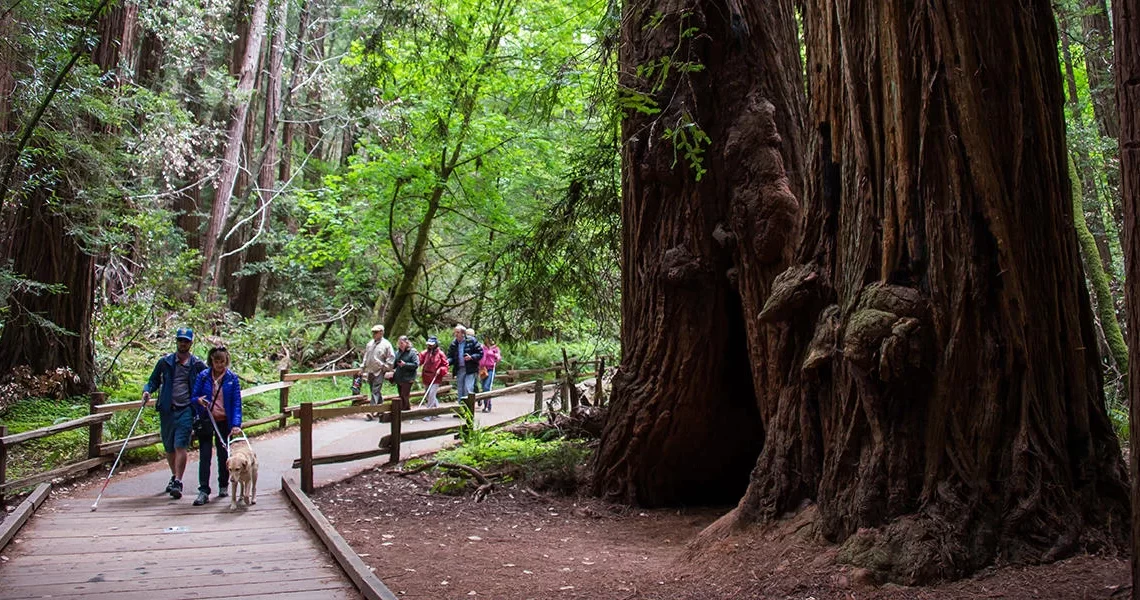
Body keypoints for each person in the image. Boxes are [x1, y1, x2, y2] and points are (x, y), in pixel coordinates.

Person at [142, 327, 206, 500]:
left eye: (186, 341)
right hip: (167, 410)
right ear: (176, 341)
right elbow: (153, 380)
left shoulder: (196, 364)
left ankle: (178, 480)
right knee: (169, 446)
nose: (183, 343)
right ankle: (174, 475)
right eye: (180, 340)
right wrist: (147, 391)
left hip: (186, 408)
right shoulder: (165, 362)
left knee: (180, 445)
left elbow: (208, 380)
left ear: (191, 343)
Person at [190, 346, 243, 506]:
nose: (219, 365)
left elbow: (236, 403)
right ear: (211, 361)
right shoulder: (203, 376)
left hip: (224, 421)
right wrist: (198, 401)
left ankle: (223, 485)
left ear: (226, 361)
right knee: (205, 455)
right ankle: (203, 490)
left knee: (224, 455)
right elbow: (193, 396)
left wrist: (236, 424)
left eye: (222, 361)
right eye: (216, 361)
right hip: (207, 420)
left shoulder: (232, 379)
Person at [361, 324, 394, 420]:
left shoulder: (386, 344)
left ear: (381, 333)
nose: (374, 334)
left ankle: (371, 412)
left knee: (375, 390)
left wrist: (386, 367)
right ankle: (381, 408)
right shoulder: (370, 343)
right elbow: (366, 356)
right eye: (373, 332)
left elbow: (391, 357)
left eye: (376, 332)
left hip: (379, 371)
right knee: (374, 390)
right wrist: (362, 367)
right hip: (370, 370)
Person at [447, 324, 482, 405]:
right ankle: (461, 409)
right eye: (455, 332)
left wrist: (471, 357)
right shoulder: (454, 343)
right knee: (460, 389)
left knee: (468, 388)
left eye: (457, 332)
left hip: (470, 369)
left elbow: (480, 353)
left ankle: (468, 409)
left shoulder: (472, 341)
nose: (455, 334)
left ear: (463, 333)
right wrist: (448, 362)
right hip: (460, 369)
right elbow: (450, 356)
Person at [418, 336, 449, 420]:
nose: (430, 346)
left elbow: (445, 365)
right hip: (426, 376)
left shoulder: (440, 354)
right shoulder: (425, 353)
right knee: (428, 395)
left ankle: (429, 414)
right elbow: (419, 360)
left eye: (431, 344)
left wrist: (441, 369)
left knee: (431, 394)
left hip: (435, 377)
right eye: (429, 344)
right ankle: (437, 410)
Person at [392, 336, 419, 412]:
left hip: (408, 378)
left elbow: (416, 365)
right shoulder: (397, 353)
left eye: (402, 343)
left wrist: (405, 364)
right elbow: (394, 364)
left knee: (405, 395)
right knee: (401, 394)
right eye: (399, 343)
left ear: (406, 343)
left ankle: (405, 410)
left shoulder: (412, 353)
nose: (400, 345)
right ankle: (403, 409)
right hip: (399, 377)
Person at [478, 335, 501, 412]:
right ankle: (484, 402)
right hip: (482, 369)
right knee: (483, 387)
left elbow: (498, 357)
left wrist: (496, 356)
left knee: (487, 387)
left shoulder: (495, 348)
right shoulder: (482, 347)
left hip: (490, 369)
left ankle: (488, 406)